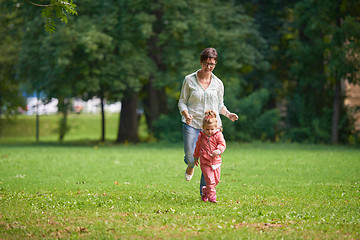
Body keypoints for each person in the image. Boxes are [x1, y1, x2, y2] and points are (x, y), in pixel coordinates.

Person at [178, 47, 238, 196]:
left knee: (209, 160)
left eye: (212, 64)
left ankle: (206, 193)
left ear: (215, 64)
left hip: (211, 127)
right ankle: (190, 165)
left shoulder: (218, 83)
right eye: (206, 63)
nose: (209, 67)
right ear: (201, 62)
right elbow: (182, 102)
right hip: (191, 123)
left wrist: (228, 114)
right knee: (191, 156)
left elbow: (220, 106)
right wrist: (185, 114)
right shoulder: (189, 80)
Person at [193, 110, 226, 203]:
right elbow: (197, 147)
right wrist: (196, 157)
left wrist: (219, 150)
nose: (209, 131)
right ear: (203, 128)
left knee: (216, 180)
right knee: (210, 180)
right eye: (207, 129)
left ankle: (205, 190)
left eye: (212, 129)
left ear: (216, 127)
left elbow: (222, 144)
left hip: (216, 161)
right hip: (205, 161)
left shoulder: (218, 135)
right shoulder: (201, 136)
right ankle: (212, 197)